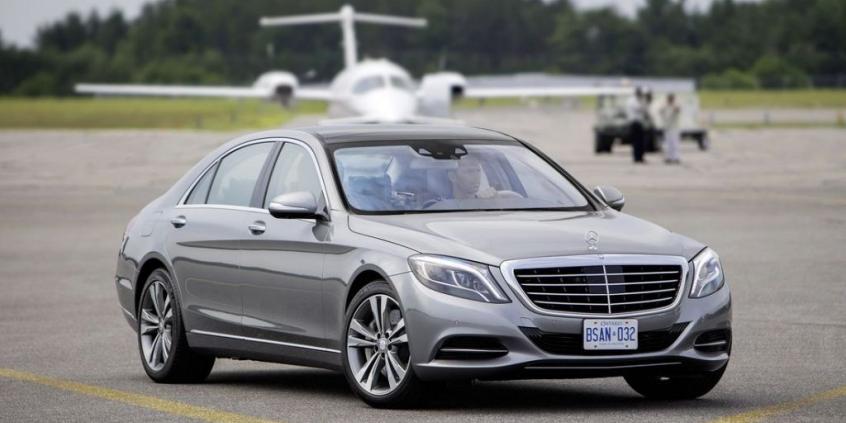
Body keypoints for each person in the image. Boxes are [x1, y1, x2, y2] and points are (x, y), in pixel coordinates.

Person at [626, 87, 647, 163]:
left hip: (639, 123)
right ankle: (636, 157)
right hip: (635, 123)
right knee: (636, 141)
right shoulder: (633, 101)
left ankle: (640, 157)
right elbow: (640, 108)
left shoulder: (638, 100)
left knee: (641, 141)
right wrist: (643, 102)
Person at [661, 93, 682, 164]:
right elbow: (660, 111)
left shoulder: (676, 105)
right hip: (667, 127)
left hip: (674, 127)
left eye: (671, 98)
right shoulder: (665, 106)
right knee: (667, 143)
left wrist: (673, 105)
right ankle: (668, 157)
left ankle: (676, 157)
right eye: (669, 98)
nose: (669, 100)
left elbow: (678, 109)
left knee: (675, 143)